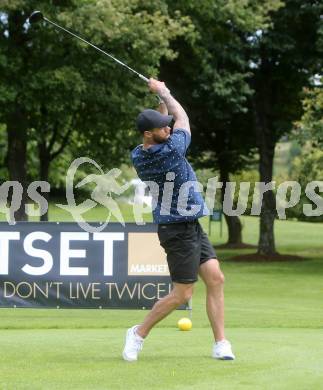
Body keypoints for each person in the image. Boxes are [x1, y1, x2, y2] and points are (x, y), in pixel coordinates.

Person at [123, 78, 235, 361]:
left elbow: (167, 119)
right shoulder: (171, 151)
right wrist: (164, 91)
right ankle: (138, 333)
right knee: (183, 294)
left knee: (216, 278)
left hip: (190, 224)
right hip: (176, 231)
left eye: (167, 124)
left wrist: (159, 102)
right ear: (149, 135)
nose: (168, 127)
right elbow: (182, 117)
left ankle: (221, 343)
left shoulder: (140, 153)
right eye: (163, 127)